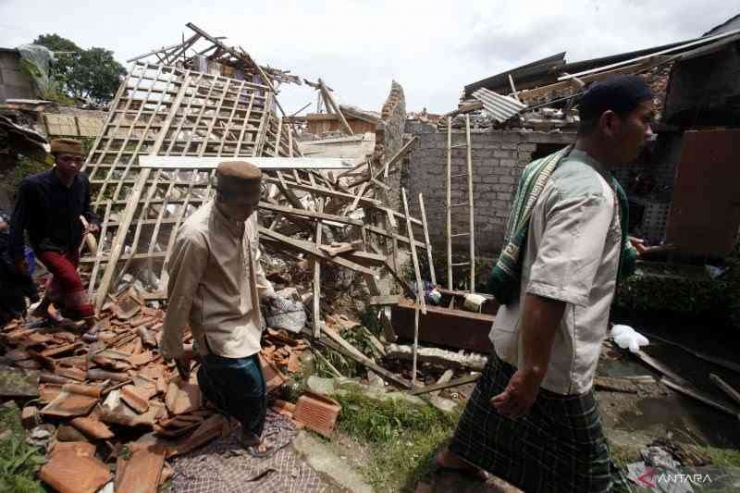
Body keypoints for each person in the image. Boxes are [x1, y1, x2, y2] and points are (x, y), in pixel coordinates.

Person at [436, 75, 655, 492]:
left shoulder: (548, 167)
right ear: (610, 122)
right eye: (645, 120)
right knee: (589, 474)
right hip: (554, 353)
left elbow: (546, 239)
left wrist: (615, 240)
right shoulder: (591, 194)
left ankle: (455, 459)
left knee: (490, 412)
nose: (651, 133)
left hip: (515, 329)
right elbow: (552, 284)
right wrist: (534, 369)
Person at [160, 160, 278, 454]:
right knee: (252, 385)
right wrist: (173, 346)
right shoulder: (196, 236)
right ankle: (251, 435)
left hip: (246, 312)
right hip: (216, 322)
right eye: (244, 205)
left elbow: (254, 259)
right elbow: (179, 296)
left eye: (254, 204)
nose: (250, 211)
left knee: (228, 373)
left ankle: (209, 379)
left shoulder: (247, 217)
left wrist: (268, 292)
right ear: (221, 197)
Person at [8, 138, 99, 334]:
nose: (73, 164)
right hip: (45, 244)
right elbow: (17, 222)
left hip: (72, 241)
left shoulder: (82, 181)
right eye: (67, 159)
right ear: (55, 159)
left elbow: (87, 209)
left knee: (60, 279)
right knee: (71, 279)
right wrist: (17, 255)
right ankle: (91, 322)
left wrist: (93, 222)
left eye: (78, 159)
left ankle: (42, 310)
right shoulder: (32, 185)